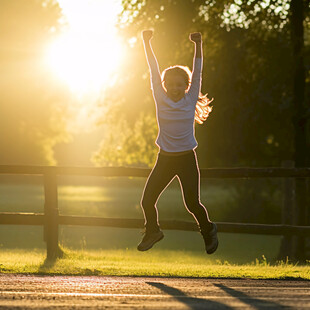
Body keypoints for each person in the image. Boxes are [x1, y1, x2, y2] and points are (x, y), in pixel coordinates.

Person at [138, 29, 218, 254]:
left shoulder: (191, 98)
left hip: (186, 159)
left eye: (179, 85)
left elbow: (198, 69)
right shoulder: (160, 98)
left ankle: (208, 230)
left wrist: (198, 44)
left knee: (192, 203)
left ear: (186, 86)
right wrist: (146, 42)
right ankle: (153, 231)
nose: (174, 88)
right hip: (164, 159)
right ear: (163, 86)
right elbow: (153, 69)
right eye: (170, 85)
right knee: (147, 201)